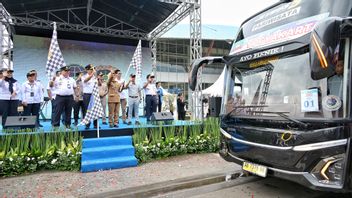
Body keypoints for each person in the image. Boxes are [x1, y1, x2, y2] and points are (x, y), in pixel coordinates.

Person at [81, 64, 98, 129]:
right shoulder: (84, 76)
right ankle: (87, 124)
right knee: (87, 110)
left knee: (95, 109)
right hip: (87, 95)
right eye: (91, 69)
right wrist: (92, 74)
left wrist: (95, 76)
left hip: (94, 94)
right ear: (87, 70)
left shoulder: (94, 77)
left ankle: (95, 124)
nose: (92, 70)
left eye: (92, 69)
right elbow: (85, 80)